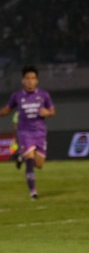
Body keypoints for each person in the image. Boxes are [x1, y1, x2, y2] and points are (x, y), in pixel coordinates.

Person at [0, 66, 55, 200]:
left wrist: (46, 112)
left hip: (40, 133)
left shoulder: (44, 95)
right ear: (23, 81)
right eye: (27, 78)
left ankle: (20, 157)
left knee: (39, 164)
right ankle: (33, 192)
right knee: (30, 160)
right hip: (24, 132)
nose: (30, 81)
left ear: (37, 81)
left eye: (33, 78)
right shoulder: (17, 96)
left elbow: (52, 111)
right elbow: (7, 109)